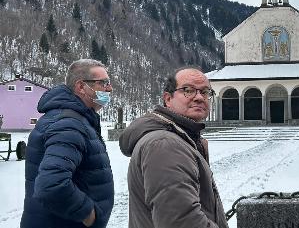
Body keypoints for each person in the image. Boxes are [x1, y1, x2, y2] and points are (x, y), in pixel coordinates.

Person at [119, 66, 228, 228]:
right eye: (188, 90)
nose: (199, 97)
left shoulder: (181, 138)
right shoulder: (165, 144)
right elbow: (181, 220)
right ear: (168, 99)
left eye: (205, 92)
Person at [21, 59, 114, 228]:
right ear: (81, 87)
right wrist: (89, 214)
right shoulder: (69, 124)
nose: (109, 88)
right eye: (103, 83)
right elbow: (51, 185)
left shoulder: (75, 119)